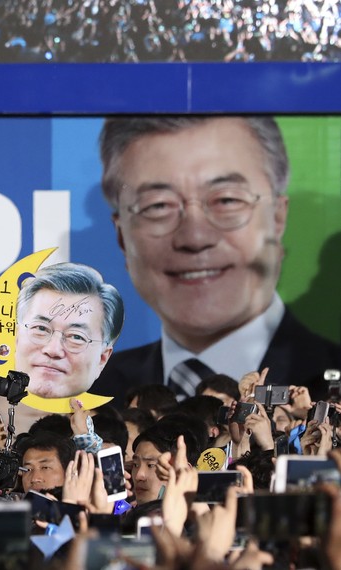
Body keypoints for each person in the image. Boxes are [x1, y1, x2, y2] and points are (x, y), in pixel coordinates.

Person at [93, 116, 341, 405]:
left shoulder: (329, 381)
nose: (195, 238)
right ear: (122, 237)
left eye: (226, 201)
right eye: (158, 206)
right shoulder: (91, 393)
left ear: (277, 218)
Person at [0, 262, 124, 433]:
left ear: (102, 358)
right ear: (17, 337)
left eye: (76, 337)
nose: (53, 350)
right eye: (40, 329)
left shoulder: (115, 427)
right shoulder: (0, 400)